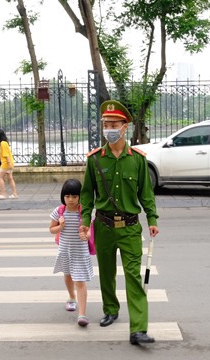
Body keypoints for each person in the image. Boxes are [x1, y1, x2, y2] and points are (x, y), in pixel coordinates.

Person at [79, 99, 159, 345]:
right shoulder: (94, 160)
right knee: (106, 273)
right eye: (106, 124)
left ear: (125, 127)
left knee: (134, 276)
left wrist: (152, 218)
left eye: (114, 124)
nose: (109, 128)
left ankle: (138, 329)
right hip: (102, 226)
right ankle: (110, 310)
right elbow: (86, 194)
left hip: (131, 227)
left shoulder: (137, 159)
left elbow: (146, 193)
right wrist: (84, 220)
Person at [49, 178, 94, 327]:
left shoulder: (85, 212)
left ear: (80, 197)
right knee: (67, 276)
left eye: (74, 196)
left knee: (79, 281)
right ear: (63, 196)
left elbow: (90, 233)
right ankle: (71, 297)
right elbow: (51, 230)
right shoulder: (59, 211)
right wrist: (60, 227)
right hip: (65, 250)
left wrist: (85, 235)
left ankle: (82, 314)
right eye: (67, 196)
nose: (71, 200)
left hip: (80, 252)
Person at [0, 129, 18, 200]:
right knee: (10, 179)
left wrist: (8, 163)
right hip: (9, 163)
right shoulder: (5, 143)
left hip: (5, 164)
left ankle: (3, 194)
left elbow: (6, 155)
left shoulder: (2, 143)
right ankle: (14, 194)